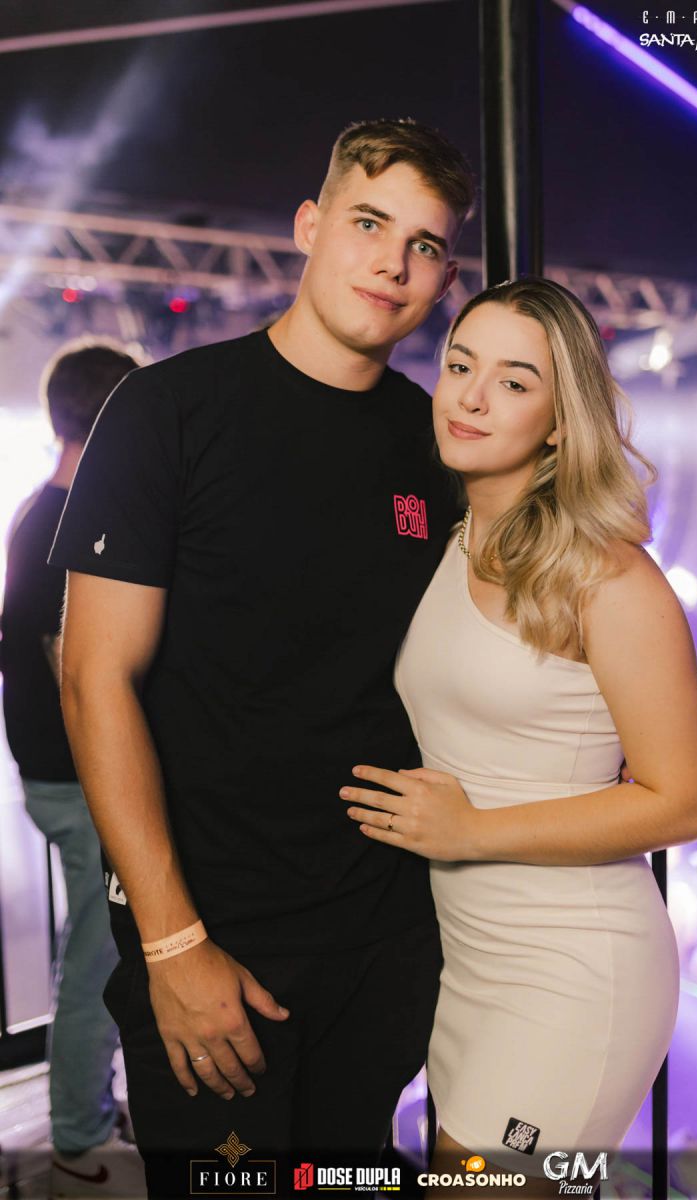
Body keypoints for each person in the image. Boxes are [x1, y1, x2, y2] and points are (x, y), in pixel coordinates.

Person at [47, 118, 474, 1196]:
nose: (392, 262)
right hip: (214, 936)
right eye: (369, 223)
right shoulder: (167, 411)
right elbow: (93, 679)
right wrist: (172, 944)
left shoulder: (433, 443)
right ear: (308, 226)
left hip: (384, 941)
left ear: (443, 277)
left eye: (423, 244)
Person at [341, 278, 697, 1196]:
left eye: (514, 382)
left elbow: (686, 801)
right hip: (469, 957)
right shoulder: (452, 538)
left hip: (573, 969)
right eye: (460, 366)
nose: (472, 397)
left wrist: (471, 831)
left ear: (559, 422)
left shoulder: (610, 579)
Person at [1, 339, 146, 1197]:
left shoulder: (40, 511)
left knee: (92, 952)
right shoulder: (68, 520)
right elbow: (77, 676)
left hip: (54, 776)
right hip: (77, 781)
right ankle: (79, 1138)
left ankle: (85, 1112)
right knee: (98, 962)